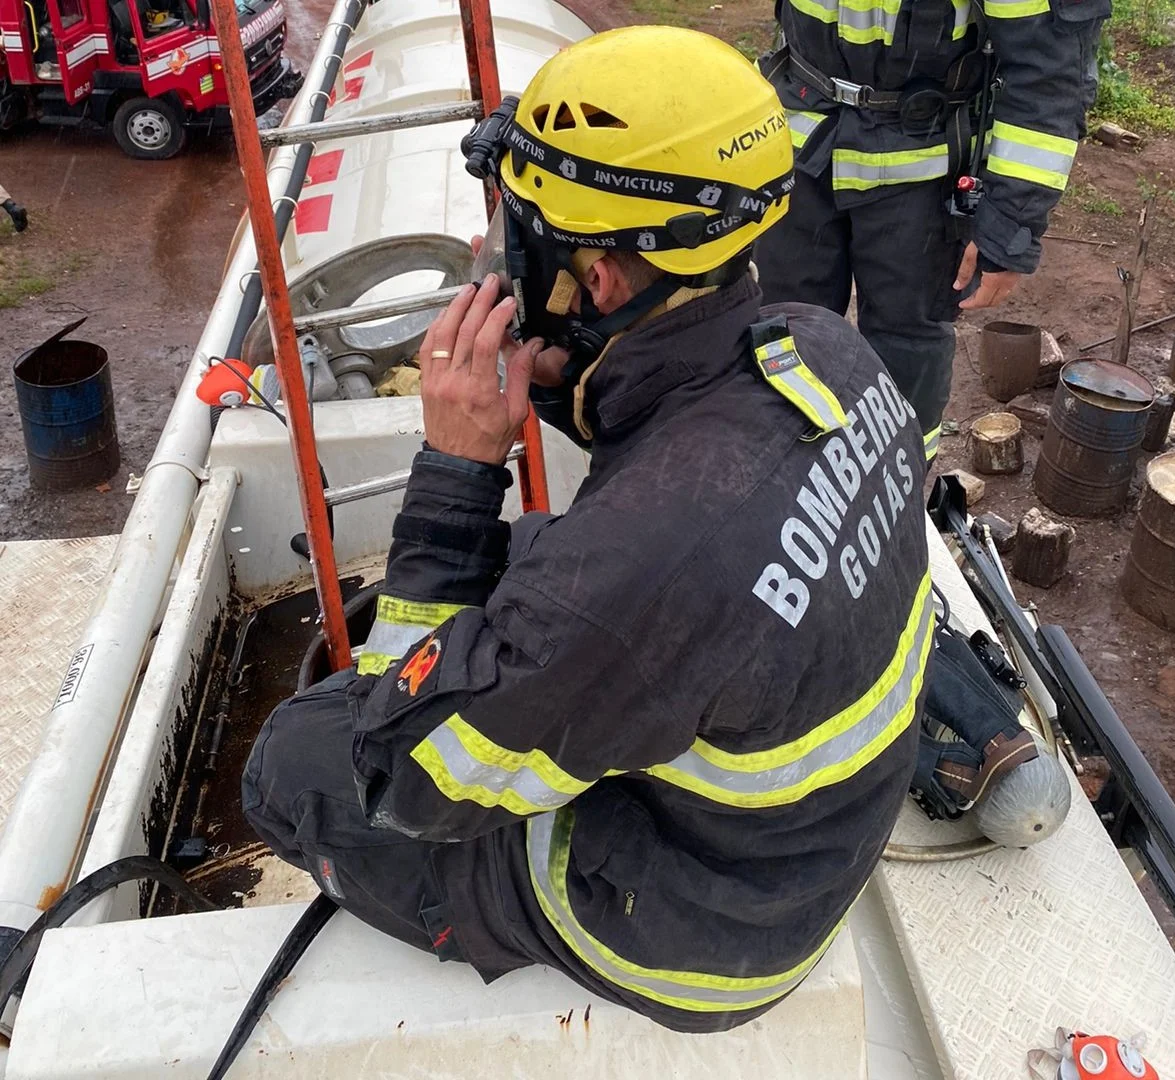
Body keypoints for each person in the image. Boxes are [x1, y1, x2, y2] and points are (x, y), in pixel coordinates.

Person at [243, 25, 935, 1034]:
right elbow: (682, 459)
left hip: (697, 935)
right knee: (532, 569)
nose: (505, 259)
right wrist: (577, 380)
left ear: (601, 276)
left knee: (300, 759)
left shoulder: (633, 572)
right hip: (798, 843)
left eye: (524, 235)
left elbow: (406, 777)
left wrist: (456, 474)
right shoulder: (825, 348)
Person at [753, 0, 1106, 462]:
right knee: (780, 332)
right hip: (797, 145)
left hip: (923, 169)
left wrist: (1009, 226)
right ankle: (776, 487)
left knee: (906, 354)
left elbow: (1050, 74)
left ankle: (896, 496)